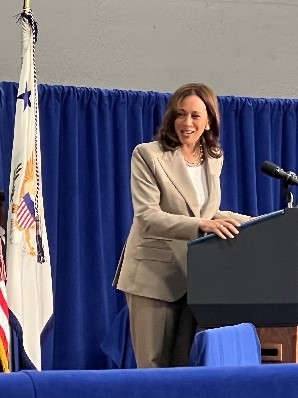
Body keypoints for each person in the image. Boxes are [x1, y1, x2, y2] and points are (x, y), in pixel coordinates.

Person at [113, 83, 251, 368]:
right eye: (180, 114)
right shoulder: (148, 155)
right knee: (154, 369)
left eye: (195, 116)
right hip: (153, 276)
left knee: (182, 369)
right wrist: (202, 225)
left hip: (194, 277)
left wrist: (256, 223)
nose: (187, 123)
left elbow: (206, 211)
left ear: (209, 120)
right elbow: (147, 216)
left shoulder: (213, 158)